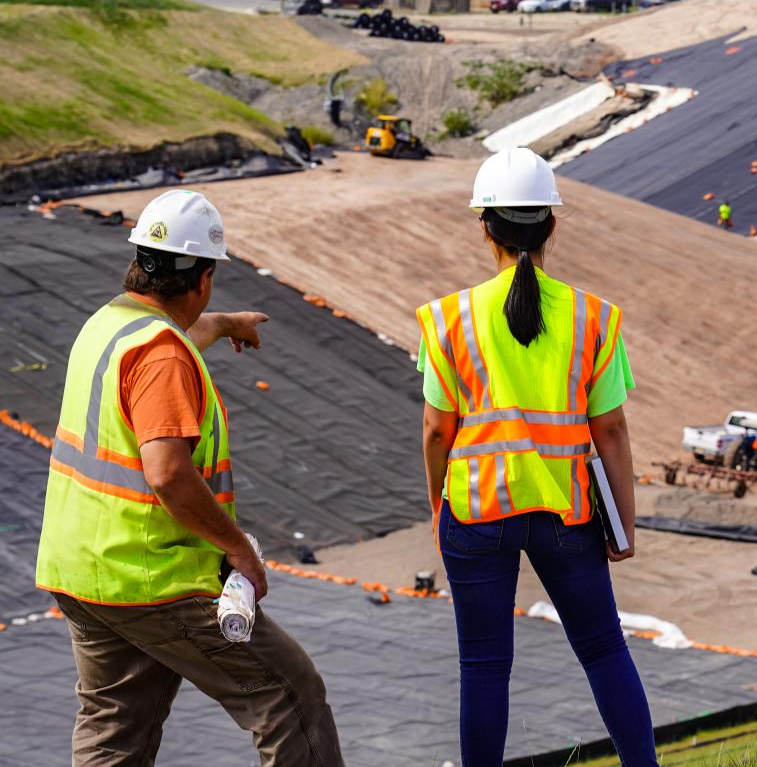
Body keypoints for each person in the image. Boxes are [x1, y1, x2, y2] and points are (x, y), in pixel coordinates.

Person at [34, 189, 344, 766]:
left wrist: (225, 323)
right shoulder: (162, 357)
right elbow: (169, 473)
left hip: (81, 567)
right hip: (151, 577)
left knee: (115, 724)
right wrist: (238, 551)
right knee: (289, 695)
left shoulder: (112, 325)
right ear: (203, 277)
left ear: (139, 265)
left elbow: (170, 345)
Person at [417, 148, 656, 767]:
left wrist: (439, 505)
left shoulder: (447, 320)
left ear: (484, 227)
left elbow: (438, 433)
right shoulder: (593, 318)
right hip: (568, 513)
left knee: (484, 667)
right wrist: (622, 526)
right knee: (604, 650)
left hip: (475, 513)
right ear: (552, 224)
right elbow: (612, 431)